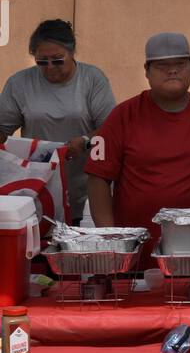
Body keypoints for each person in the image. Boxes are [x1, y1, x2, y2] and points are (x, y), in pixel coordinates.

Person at [85, 33, 190, 254]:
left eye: (180, 63)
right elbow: (97, 180)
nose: (173, 70)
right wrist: (112, 240)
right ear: (147, 71)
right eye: (162, 65)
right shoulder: (121, 117)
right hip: (133, 253)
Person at [0, 18, 115, 223]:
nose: (50, 67)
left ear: (72, 53)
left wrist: (85, 141)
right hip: (38, 188)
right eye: (42, 62)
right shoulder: (20, 83)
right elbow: (2, 131)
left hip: (84, 185)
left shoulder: (92, 79)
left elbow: (111, 128)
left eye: (57, 60)